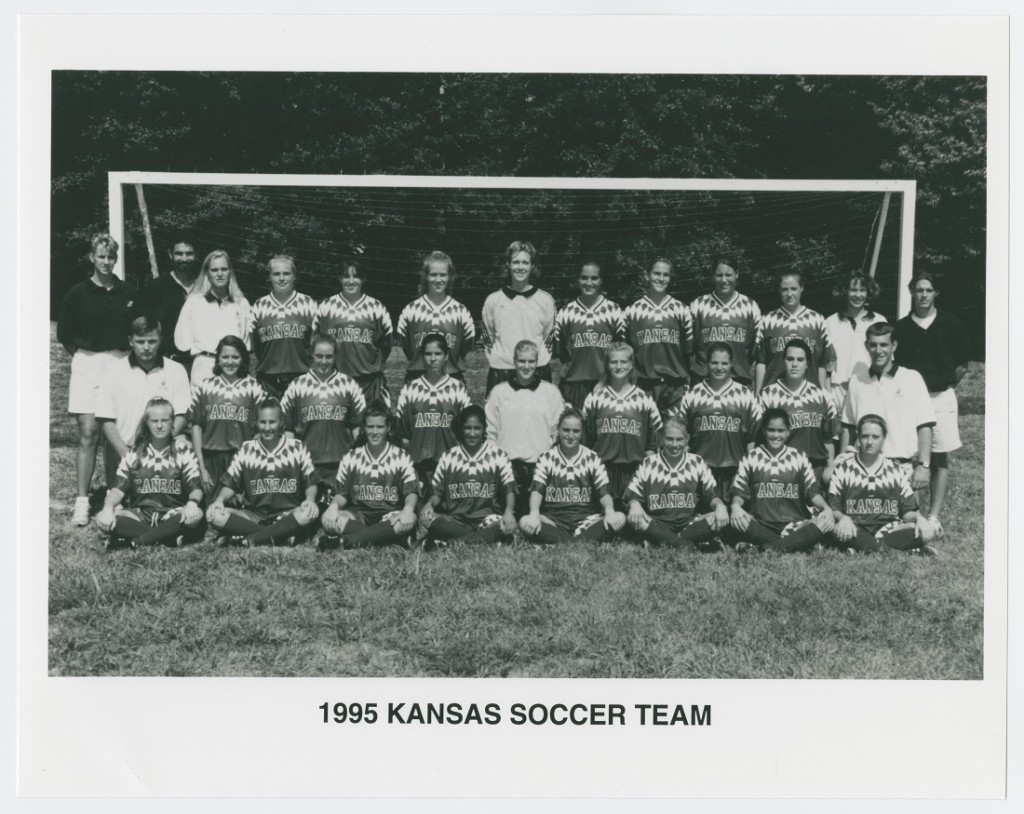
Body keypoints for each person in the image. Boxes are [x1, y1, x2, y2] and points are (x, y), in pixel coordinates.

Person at [57, 233, 135, 526]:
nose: (106, 262)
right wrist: (87, 358)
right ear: (92, 257)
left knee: (117, 433)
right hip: (88, 362)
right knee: (88, 431)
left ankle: (116, 497)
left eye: (111, 257)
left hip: (119, 361)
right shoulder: (77, 293)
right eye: (101, 256)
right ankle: (82, 501)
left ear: (116, 259)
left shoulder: (128, 292)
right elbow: (66, 336)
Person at [894, 270, 971, 532]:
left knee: (938, 459)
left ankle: (934, 516)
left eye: (928, 290)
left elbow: (962, 365)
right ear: (912, 292)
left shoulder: (951, 323)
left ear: (936, 292)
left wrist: (943, 385)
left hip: (941, 398)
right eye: (919, 290)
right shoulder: (901, 328)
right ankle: (914, 514)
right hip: (910, 402)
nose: (923, 295)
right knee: (912, 458)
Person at [206, 397, 321, 547]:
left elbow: (311, 481)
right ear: (256, 422)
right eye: (262, 422)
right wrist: (220, 500)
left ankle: (249, 539)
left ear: (281, 422)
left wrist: (310, 499)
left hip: (288, 514)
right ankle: (280, 535)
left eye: (272, 422)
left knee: (308, 513)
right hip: (253, 515)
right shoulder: (246, 449)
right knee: (215, 515)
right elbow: (230, 483)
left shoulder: (297, 447)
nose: (267, 428)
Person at [95, 316, 192, 491]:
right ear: (130, 341)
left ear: (160, 340)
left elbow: (182, 414)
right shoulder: (113, 371)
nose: (146, 347)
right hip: (123, 450)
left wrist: (159, 448)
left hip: (163, 451)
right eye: (140, 341)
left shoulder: (176, 370)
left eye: (152, 341)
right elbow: (106, 419)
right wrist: (127, 455)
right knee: (120, 512)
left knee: (162, 508)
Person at [94, 398, 205, 549]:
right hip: (141, 515)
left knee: (195, 515)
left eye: (164, 420)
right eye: (154, 421)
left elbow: (196, 488)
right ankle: (165, 537)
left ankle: (136, 540)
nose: (159, 426)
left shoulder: (184, 451)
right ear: (147, 422)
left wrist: (192, 504)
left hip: (172, 514)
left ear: (173, 421)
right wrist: (107, 508)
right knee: (105, 518)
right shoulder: (134, 453)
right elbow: (117, 490)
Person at [840, 323, 935, 493]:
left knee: (909, 519)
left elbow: (925, 425)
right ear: (866, 346)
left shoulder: (912, 378)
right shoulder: (856, 381)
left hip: (902, 467)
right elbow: (849, 426)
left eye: (884, 344)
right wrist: (842, 461)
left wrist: (924, 465)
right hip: (863, 466)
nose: (878, 350)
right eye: (873, 345)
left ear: (894, 346)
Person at [727, 408, 835, 553]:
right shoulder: (751, 458)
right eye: (771, 430)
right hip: (761, 524)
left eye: (781, 430)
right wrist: (735, 506)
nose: (776, 435)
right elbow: (740, 492)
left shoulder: (799, 458)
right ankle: (795, 544)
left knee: (822, 522)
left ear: (788, 432)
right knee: (737, 519)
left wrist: (826, 508)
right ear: (764, 431)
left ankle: (766, 548)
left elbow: (812, 491)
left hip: (794, 524)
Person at [826, 414, 935, 555]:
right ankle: (901, 549)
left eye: (875, 437)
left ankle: (864, 548)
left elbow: (908, 512)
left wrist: (920, 519)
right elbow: (834, 508)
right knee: (835, 528)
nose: (870, 442)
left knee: (921, 529)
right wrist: (843, 518)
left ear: (884, 439)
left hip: (888, 529)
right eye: (865, 436)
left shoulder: (896, 470)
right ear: (858, 438)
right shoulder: (843, 469)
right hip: (854, 527)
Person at [320, 402, 419, 549]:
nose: (374, 432)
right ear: (364, 428)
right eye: (370, 426)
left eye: (380, 427)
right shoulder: (351, 457)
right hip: (359, 515)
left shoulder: (401, 456)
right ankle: (389, 539)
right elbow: (342, 494)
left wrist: (408, 509)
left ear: (388, 428)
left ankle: (343, 542)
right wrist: (333, 506)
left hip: (390, 515)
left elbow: (411, 492)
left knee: (409, 519)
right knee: (328, 518)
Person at [519, 408, 626, 544]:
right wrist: (534, 513)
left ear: (582, 432)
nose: (570, 435)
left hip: (586, 520)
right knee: (524, 521)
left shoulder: (592, 458)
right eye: (566, 430)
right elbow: (537, 491)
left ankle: (560, 542)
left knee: (620, 517)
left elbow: (603, 492)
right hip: (553, 520)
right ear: (558, 429)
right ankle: (581, 542)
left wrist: (610, 510)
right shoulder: (546, 458)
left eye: (576, 431)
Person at [280, 334, 366, 502]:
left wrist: (358, 462)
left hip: (340, 463)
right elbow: (288, 429)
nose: (324, 361)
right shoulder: (297, 386)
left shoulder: (349, 385)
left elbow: (358, 428)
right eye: (319, 356)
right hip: (307, 463)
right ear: (311, 354)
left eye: (329, 356)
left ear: (336, 356)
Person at [418, 405, 518, 549]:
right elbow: (437, 494)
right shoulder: (449, 457)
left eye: (477, 428)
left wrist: (509, 512)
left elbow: (509, 489)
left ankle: (453, 543)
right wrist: (429, 504)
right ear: (461, 429)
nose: (472, 433)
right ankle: (480, 540)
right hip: (456, 520)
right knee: (431, 520)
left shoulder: (498, 455)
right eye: (467, 428)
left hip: (487, 519)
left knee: (504, 525)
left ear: (484, 429)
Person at [485, 340, 565, 514]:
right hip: (508, 466)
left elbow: (557, 432)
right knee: (504, 516)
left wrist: (547, 462)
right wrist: (499, 463)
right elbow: (490, 433)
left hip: (540, 466)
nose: (526, 366)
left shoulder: (551, 392)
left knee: (539, 516)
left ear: (537, 362)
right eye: (522, 361)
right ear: (514, 362)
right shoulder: (499, 392)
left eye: (531, 361)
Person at [624, 416, 729, 550]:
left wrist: (720, 506)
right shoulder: (648, 463)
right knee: (636, 517)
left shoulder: (697, 462)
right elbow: (632, 495)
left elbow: (712, 495)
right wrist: (634, 504)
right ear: (661, 439)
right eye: (669, 439)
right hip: (657, 523)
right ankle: (686, 544)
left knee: (720, 516)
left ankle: (660, 542)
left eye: (679, 439)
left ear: (687, 440)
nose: (674, 445)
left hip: (690, 524)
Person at [673, 342, 760, 501]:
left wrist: (747, 472)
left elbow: (753, 440)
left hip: (735, 471)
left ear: (732, 364)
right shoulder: (693, 395)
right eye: (714, 362)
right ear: (707, 363)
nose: (719, 367)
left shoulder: (745, 394)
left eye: (724, 363)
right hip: (702, 471)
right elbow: (682, 437)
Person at [581, 343, 662, 506]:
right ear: (607, 365)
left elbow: (651, 445)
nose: (619, 366)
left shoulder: (644, 399)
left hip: (634, 470)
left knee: (633, 524)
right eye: (613, 362)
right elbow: (585, 440)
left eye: (624, 362)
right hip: (603, 470)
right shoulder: (595, 398)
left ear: (631, 364)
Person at [186, 335, 267, 498]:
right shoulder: (205, 387)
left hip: (242, 458)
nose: (230, 362)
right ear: (217, 359)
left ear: (243, 358)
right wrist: (201, 466)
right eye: (225, 356)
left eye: (235, 357)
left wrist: (252, 461)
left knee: (241, 510)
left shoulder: (253, 387)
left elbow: (262, 428)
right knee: (211, 512)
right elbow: (197, 425)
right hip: (211, 460)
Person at [392, 333, 471, 496]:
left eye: (438, 353)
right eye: (428, 354)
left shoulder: (458, 389)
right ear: (422, 356)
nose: (433, 359)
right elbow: (403, 434)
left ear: (446, 356)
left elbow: (466, 432)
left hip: (449, 466)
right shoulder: (410, 389)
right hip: (418, 466)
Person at [313, 257, 394, 406]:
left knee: (374, 426)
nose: (351, 281)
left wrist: (372, 364)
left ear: (363, 279)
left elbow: (387, 344)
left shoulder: (376, 307)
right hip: (336, 381)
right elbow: (315, 341)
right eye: (346, 276)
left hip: (370, 381)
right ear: (339, 278)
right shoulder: (326, 307)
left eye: (356, 276)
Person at [481, 241, 556, 395]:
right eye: (516, 262)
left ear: (532, 266)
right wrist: (502, 359)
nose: (520, 267)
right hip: (502, 371)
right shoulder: (493, 300)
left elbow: (549, 338)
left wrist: (538, 361)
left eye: (525, 262)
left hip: (537, 371)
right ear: (508, 264)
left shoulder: (545, 300)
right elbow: (488, 339)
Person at [758, 338, 837, 483]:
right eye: (790, 359)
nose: (795, 364)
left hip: (815, 470)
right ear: (783, 361)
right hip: (781, 470)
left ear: (807, 364)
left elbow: (827, 437)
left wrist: (830, 465)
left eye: (800, 360)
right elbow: (759, 439)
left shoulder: (822, 396)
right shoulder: (768, 395)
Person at [623, 257, 694, 416]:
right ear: (646, 275)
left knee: (674, 436)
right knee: (645, 437)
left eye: (666, 275)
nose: (661, 278)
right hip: (644, 386)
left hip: (676, 388)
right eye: (656, 273)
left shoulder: (682, 311)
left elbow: (688, 353)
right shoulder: (631, 313)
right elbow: (626, 353)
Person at [552, 261, 626, 411]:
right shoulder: (566, 313)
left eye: (594, 278)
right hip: (573, 387)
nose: (589, 283)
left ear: (601, 280)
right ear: (578, 280)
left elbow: (622, 352)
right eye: (584, 278)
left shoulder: (614, 311)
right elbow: (561, 355)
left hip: (606, 384)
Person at [174, 249, 252, 387]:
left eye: (224, 269)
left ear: (230, 272)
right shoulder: (194, 303)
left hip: (234, 368)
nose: (220, 274)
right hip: (204, 368)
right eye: (214, 270)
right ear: (207, 274)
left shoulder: (241, 303)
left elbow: (246, 342)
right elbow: (182, 341)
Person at [394, 251, 475, 382]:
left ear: (450, 277)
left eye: (443, 275)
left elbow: (465, 347)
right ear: (425, 276)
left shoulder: (461, 312)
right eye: (433, 275)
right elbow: (406, 347)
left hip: (451, 378)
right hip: (417, 379)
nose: (438, 280)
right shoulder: (410, 311)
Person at [754, 270, 835, 396]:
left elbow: (822, 363)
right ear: (779, 290)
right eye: (785, 289)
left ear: (801, 288)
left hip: (809, 396)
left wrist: (822, 394)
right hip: (774, 395)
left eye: (793, 288)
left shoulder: (817, 320)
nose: (789, 294)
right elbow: (761, 362)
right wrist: (758, 395)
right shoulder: (767, 320)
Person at [248, 254, 317, 400]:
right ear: (269, 277)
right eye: (276, 274)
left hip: (301, 378)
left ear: (294, 276)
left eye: (286, 273)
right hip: (268, 381)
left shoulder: (308, 304)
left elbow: (316, 344)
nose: (281, 278)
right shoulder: (259, 307)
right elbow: (256, 348)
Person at [689, 254, 762, 386]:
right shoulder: (698, 306)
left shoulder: (750, 307)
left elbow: (755, 351)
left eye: (728, 275)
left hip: (738, 382)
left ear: (737, 274)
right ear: (712, 276)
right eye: (719, 275)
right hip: (704, 381)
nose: (724, 280)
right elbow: (688, 347)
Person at [824, 270, 886, 423]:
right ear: (845, 291)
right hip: (838, 389)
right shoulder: (830, 322)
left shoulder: (879, 320)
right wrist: (827, 395)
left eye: (862, 290)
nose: (858, 295)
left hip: (868, 387)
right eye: (853, 289)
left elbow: (886, 363)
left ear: (868, 292)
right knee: (839, 439)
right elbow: (825, 366)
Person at [138, 234, 200, 369]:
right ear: (170, 254)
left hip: (201, 362)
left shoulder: (206, 287)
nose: (184, 259)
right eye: (179, 253)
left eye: (189, 254)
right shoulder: (156, 288)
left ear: (196, 255)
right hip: (166, 363)